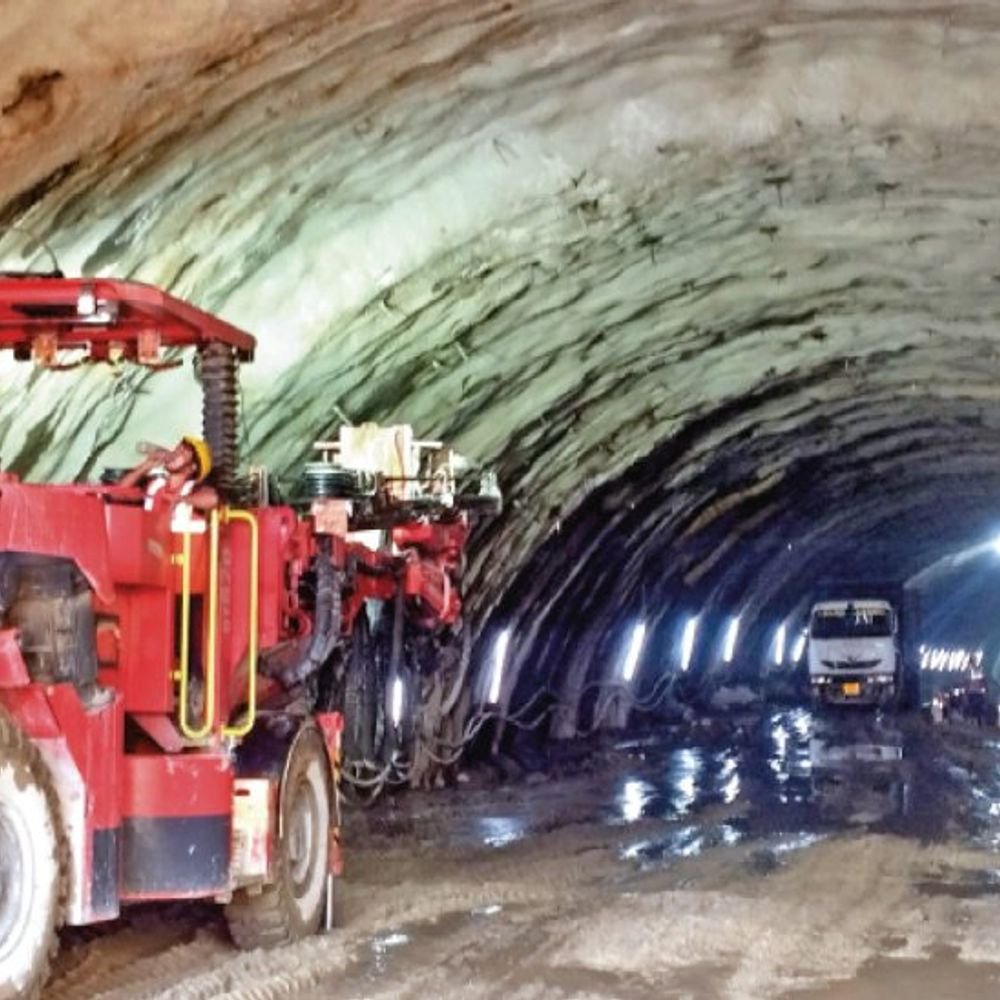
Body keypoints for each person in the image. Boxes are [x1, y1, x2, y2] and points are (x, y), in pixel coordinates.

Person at [119, 436, 218, 530]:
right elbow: (119, 491)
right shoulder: (155, 484)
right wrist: (146, 466)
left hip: (180, 541)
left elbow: (213, 499)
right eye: (177, 448)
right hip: (148, 539)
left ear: (193, 466)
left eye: (183, 452)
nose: (176, 452)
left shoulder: (193, 489)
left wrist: (180, 499)